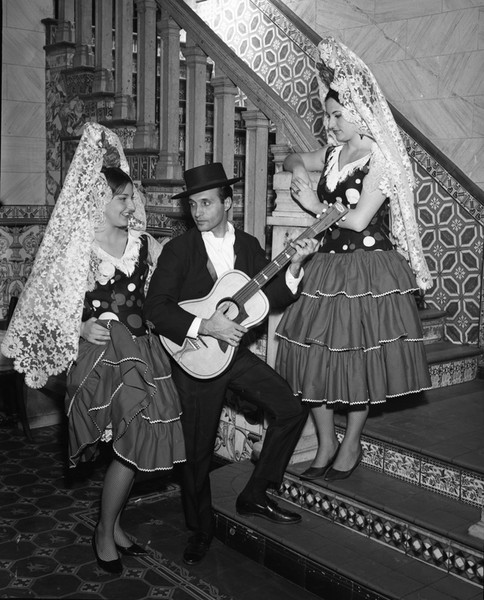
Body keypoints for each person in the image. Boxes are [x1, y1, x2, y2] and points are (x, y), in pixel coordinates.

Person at [1, 123, 185, 573]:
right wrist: (81, 327)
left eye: (130, 197)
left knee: (137, 443)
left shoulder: (144, 244)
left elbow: (161, 296)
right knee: (128, 444)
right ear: (96, 202)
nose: (130, 204)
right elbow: (47, 303)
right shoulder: (78, 250)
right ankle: (105, 530)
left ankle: (112, 524)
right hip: (101, 359)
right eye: (121, 198)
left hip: (143, 354)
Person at [144, 162, 318, 566]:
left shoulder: (250, 246)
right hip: (195, 361)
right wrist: (208, 324)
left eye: (206, 202)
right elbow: (155, 309)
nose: (198, 211)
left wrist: (292, 269)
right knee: (197, 452)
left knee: (290, 409)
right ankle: (200, 528)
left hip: (233, 358)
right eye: (193, 204)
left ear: (228, 203)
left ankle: (255, 494)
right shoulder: (178, 250)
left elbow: (268, 298)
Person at [275, 37, 433, 482]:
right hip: (325, 266)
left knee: (356, 360)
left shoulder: (380, 160)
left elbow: (361, 219)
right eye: (327, 115)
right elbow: (289, 156)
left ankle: (352, 441)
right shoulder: (331, 155)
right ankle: (325, 442)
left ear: (360, 113)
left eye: (337, 115)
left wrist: (311, 207)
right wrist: (302, 171)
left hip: (366, 269)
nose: (329, 124)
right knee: (315, 358)